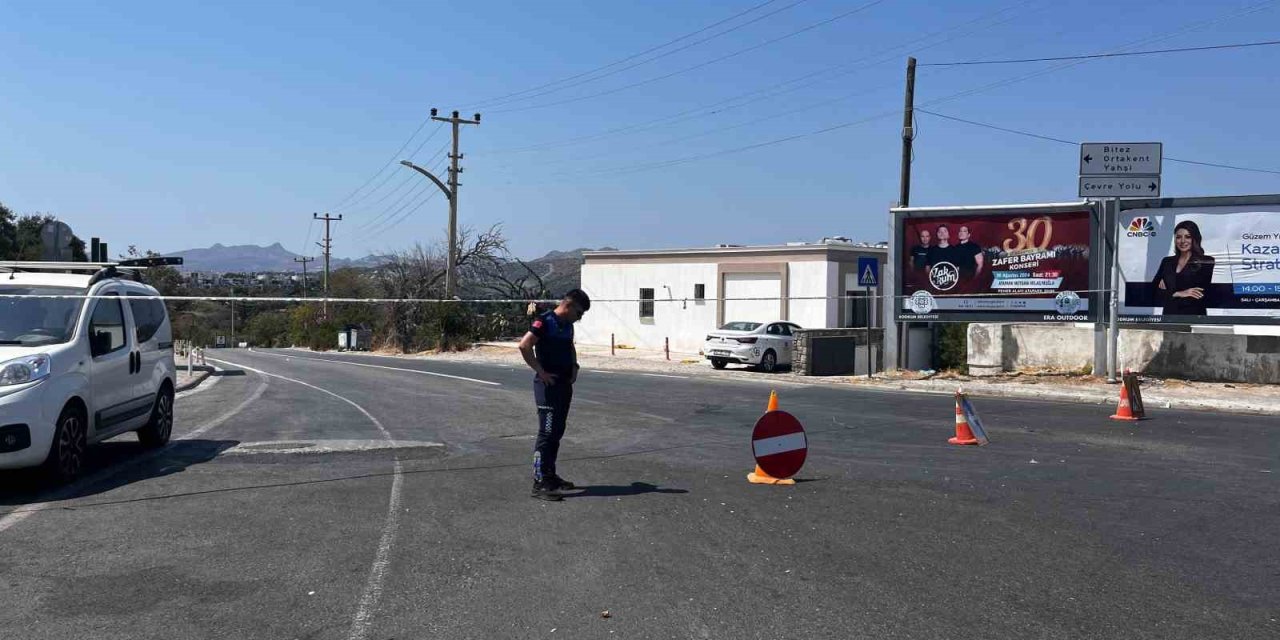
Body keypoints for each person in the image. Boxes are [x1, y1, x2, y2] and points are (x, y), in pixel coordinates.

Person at [519, 289, 591, 501]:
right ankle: (539, 482)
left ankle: (550, 476)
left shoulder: (567, 325)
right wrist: (540, 371)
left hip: (563, 384)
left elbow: (570, 347)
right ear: (568, 306)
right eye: (579, 313)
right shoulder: (545, 321)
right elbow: (524, 345)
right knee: (547, 433)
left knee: (557, 432)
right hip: (547, 386)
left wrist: (575, 366)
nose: (579, 318)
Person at [1152, 220, 1215, 316]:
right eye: (1178, 237)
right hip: (1169, 316)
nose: (1182, 241)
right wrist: (1178, 293)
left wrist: (1168, 291)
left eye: (1187, 237)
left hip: (1194, 316)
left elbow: (1199, 295)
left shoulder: (1206, 261)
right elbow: (1153, 291)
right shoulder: (1167, 262)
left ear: (1195, 238)